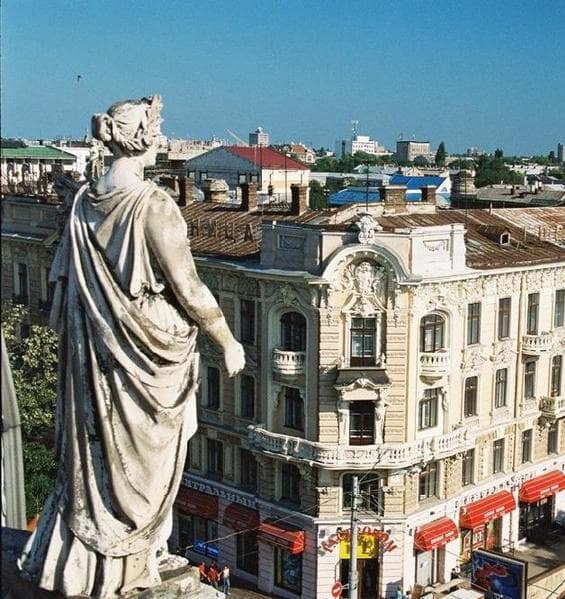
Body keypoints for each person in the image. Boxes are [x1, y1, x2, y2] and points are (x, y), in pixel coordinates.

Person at [17, 95, 245, 598]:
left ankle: (90, 565)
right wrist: (227, 340)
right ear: (144, 140)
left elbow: (65, 283)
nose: (162, 139)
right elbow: (189, 288)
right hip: (148, 358)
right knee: (146, 466)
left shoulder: (82, 200)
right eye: (158, 131)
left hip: (92, 352)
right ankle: (131, 562)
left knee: (94, 455)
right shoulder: (152, 205)